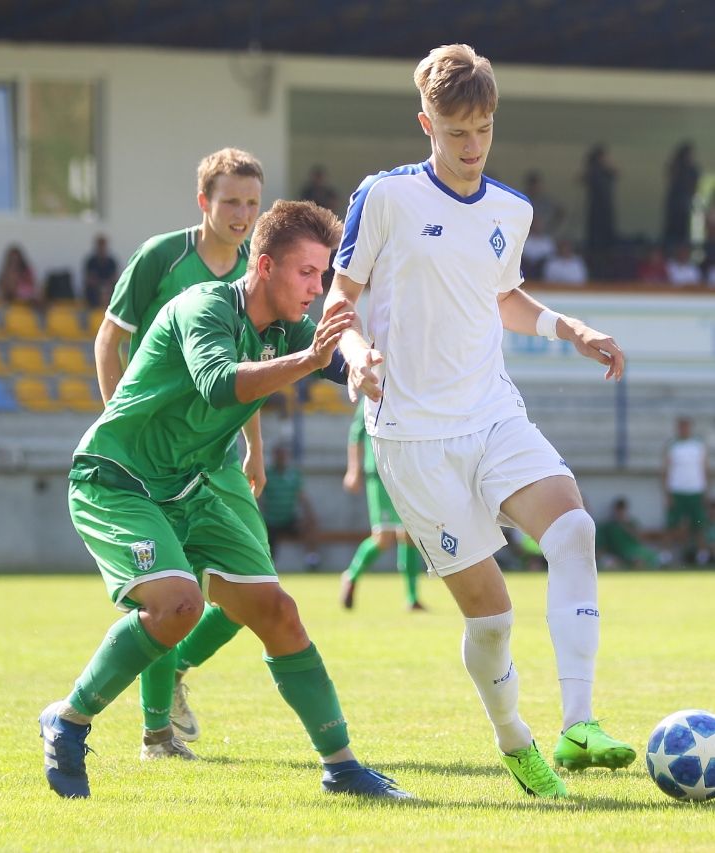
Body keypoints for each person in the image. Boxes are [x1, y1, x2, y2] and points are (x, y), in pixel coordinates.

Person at [324, 43, 636, 800]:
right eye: (456, 131)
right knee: (491, 619)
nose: (471, 148)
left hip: (491, 411)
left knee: (572, 529)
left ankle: (579, 724)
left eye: (484, 130)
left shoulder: (510, 210)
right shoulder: (386, 196)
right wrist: (359, 358)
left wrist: (569, 328)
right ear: (424, 122)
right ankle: (513, 737)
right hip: (412, 438)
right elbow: (337, 305)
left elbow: (501, 296)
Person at [39, 200, 411, 801]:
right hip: (116, 477)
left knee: (277, 613)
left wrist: (359, 359)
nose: (317, 289)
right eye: (306, 274)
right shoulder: (202, 306)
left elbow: (334, 345)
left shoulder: (283, 326)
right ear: (264, 267)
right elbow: (218, 385)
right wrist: (313, 358)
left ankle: (342, 768)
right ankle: (70, 719)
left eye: (322, 276)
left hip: (188, 485)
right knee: (178, 604)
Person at [94, 148, 267, 761]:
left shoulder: (256, 267)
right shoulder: (161, 256)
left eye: (252, 202)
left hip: (219, 455)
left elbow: (252, 370)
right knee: (179, 587)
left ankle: (175, 672)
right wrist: (123, 428)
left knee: (257, 591)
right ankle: (156, 736)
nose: (243, 214)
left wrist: (254, 445)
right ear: (204, 202)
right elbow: (109, 339)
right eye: (231, 202)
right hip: (159, 454)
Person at [341, 401, 426, 611]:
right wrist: (353, 470)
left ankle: (412, 598)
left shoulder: (407, 393)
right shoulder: (372, 395)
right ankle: (351, 575)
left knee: (409, 535)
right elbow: (356, 434)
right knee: (383, 538)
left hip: (405, 473)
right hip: (378, 473)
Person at [258, 444, 322, 570]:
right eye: (278, 455)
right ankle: (265, 568)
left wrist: (310, 515)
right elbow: (258, 497)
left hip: (288, 519)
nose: (281, 458)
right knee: (268, 546)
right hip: (270, 521)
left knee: (310, 526)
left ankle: (312, 559)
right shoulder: (267, 474)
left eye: (283, 455)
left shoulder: (293, 474)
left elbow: (302, 497)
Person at [663, 416, 710, 565]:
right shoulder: (672, 445)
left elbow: (705, 468)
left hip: (696, 490)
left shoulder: (698, 444)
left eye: (686, 426)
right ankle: (667, 555)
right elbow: (666, 468)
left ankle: (703, 556)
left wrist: (706, 490)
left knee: (699, 524)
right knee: (672, 525)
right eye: (681, 426)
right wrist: (667, 492)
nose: (684, 429)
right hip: (677, 490)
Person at [596, 497, 664, 570]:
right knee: (637, 561)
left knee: (653, 557)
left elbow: (639, 539)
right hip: (623, 553)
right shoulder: (609, 526)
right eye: (618, 511)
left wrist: (625, 526)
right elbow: (605, 545)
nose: (620, 513)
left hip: (637, 549)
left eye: (622, 510)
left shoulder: (631, 523)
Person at [581, 144, 617, 269]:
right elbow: (582, 179)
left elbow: (616, 173)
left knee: (607, 241)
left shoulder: (607, 172)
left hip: (606, 210)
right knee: (596, 241)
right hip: (596, 211)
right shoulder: (593, 172)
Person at [662, 142, 700, 250]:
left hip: (682, 202)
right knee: (676, 229)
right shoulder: (679, 168)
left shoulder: (690, 169)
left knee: (682, 229)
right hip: (678, 203)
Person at [83, 234, 119, 308]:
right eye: (100, 245)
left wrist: (106, 286)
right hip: (95, 290)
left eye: (103, 245)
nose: (101, 248)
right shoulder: (91, 261)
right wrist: (101, 286)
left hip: (109, 288)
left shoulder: (111, 261)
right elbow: (89, 279)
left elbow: (115, 278)